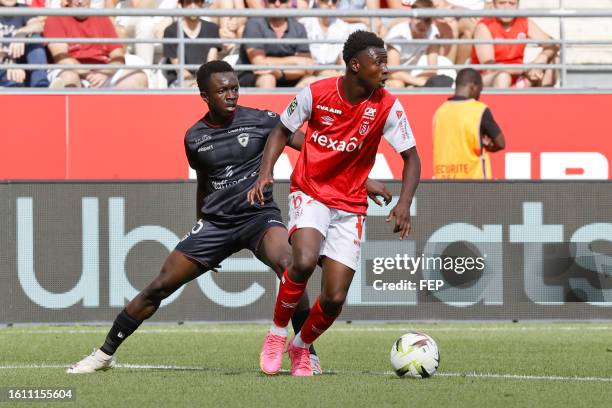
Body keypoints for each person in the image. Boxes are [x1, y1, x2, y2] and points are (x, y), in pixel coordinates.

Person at [66, 60, 391, 375]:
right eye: (223, 91)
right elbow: (204, 183)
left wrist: (362, 180)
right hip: (216, 225)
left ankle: (305, 352)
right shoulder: (194, 138)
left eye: (235, 88)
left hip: (259, 218)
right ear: (205, 96)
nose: (232, 95)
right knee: (159, 286)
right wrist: (200, 226)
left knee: (292, 265)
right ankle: (104, 353)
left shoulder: (263, 121)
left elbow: (315, 153)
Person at [248, 30, 421, 377]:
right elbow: (281, 131)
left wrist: (404, 204)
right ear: (356, 65)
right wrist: (266, 172)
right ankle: (277, 333)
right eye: (380, 61)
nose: (386, 68)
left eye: (387, 61)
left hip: (350, 204)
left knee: (335, 296)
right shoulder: (316, 93)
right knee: (305, 259)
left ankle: (300, 349)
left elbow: (412, 158)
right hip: (310, 190)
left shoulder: (387, 105)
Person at [43, 0, 148, 88]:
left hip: (102, 71)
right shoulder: (56, 18)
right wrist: (88, 74)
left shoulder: (102, 18)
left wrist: (105, 73)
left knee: (138, 77)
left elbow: (118, 56)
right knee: (69, 78)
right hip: (70, 70)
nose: (80, 1)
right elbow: (61, 58)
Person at [432, 68, 505, 179]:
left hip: (444, 182)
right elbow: (500, 143)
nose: (479, 95)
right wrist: (488, 145)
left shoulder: (439, 112)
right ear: (473, 86)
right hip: (474, 184)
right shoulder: (479, 110)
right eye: (480, 90)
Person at [471, 0, 559, 88]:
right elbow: (490, 68)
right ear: (494, 4)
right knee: (503, 77)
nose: (507, 7)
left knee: (554, 61)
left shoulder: (523, 21)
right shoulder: (485, 26)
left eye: (512, 3)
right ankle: (502, 101)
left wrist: (541, 60)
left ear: (517, 5)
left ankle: (544, 99)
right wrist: (527, 69)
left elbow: (553, 44)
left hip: (518, 74)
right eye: (502, 3)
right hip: (488, 78)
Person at [237, 0, 314, 88]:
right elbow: (259, 64)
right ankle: (266, 102)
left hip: (287, 77)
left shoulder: (298, 27)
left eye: (282, 0)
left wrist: (281, 73)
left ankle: (293, 102)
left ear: (289, 3)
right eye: (272, 0)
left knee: (311, 81)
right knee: (268, 79)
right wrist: (294, 60)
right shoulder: (254, 24)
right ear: (265, 3)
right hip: (254, 77)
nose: (277, 4)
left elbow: (307, 66)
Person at [162, 0, 221, 87]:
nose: (193, 6)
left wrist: (201, 82)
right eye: (188, 2)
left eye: (196, 2)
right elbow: (179, 68)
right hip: (180, 81)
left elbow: (211, 63)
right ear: (181, 5)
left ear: (201, 4)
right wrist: (193, 82)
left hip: (206, 79)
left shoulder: (212, 28)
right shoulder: (171, 31)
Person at [0, 0, 49, 87]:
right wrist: (9, 63)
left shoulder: (22, 8)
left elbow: (38, 25)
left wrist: (21, 33)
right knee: (10, 77)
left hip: (22, 64)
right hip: (4, 64)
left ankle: (40, 84)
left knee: (35, 38)